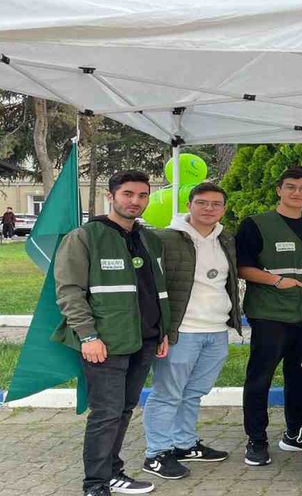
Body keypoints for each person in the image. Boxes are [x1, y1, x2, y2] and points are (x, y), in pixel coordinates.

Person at [52, 170, 171, 496]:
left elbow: (156, 290)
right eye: (128, 194)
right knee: (106, 414)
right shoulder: (84, 237)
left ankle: (114, 472)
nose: (136, 201)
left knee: (124, 409)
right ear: (111, 196)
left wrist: (162, 331)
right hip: (106, 343)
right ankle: (96, 485)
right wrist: (88, 336)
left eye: (142, 195)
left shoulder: (149, 239)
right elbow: (69, 292)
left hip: (145, 339)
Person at [142, 182, 241, 480]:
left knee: (194, 392)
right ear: (189, 205)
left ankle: (184, 444)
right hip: (182, 331)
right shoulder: (165, 239)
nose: (209, 209)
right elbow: (150, 286)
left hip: (216, 329)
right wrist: (160, 329)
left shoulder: (226, 240)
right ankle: (156, 453)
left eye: (216, 204)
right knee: (168, 394)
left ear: (223, 209)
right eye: (202, 203)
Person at [236, 167, 302, 466]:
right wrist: (276, 281)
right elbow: (242, 267)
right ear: (279, 189)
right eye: (290, 187)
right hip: (271, 315)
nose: (297, 193)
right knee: (260, 379)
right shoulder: (256, 224)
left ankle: (294, 433)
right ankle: (257, 440)